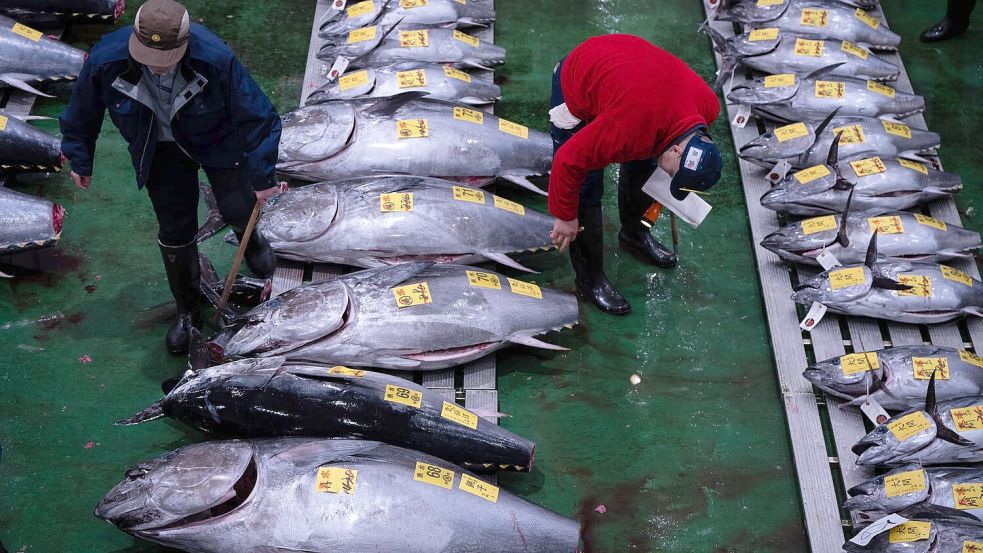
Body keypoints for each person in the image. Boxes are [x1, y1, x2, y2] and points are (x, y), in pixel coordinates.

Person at [60, 0, 281, 354]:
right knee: (175, 229)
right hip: (158, 146)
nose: (157, 68)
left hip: (217, 139)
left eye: (165, 59)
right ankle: (188, 311)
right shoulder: (105, 59)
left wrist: (262, 174)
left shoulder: (215, 58)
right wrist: (80, 158)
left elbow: (260, 116)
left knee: (239, 206)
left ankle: (251, 240)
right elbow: (82, 111)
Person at [547, 34, 723, 315]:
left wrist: (677, 175)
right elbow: (569, 161)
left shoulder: (707, 108)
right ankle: (590, 280)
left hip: (630, 77)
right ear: (678, 151)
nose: (669, 176)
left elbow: (659, 148)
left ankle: (634, 236)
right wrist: (565, 216)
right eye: (673, 172)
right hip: (580, 77)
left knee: (644, 164)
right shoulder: (628, 128)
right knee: (587, 185)